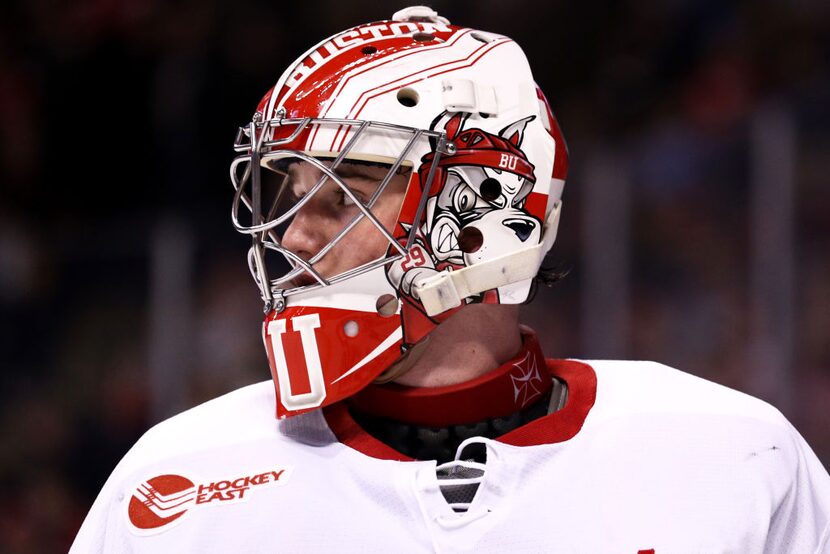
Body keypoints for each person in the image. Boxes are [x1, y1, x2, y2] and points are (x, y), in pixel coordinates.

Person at [72, 6, 830, 552]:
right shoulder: (178, 479)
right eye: (288, 192)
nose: (295, 233)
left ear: (480, 212)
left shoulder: (729, 450)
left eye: (344, 192)